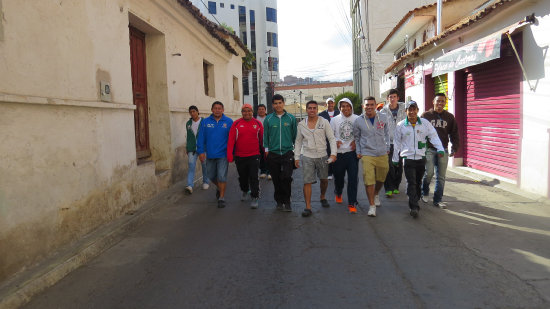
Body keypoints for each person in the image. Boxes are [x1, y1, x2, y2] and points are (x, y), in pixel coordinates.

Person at [393, 101, 444, 218]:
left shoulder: (425, 124)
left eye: (414, 109)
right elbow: (397, 143)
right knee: (411, 182)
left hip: (421, 157)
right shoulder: (400, 125)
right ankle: (414, 206)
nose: (412, 112)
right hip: (408, 157)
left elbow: (433, 136)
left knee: (418, 182)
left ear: (417, 110)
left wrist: (440, 148)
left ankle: (414, 197)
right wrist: (395, 158)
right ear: (405, 111)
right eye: (409, 110)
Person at [295, 100, 337, 217]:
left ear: (317, 110)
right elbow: (298, 142)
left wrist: (333, 154)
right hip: (307, 156)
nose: (312, 110)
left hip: (322, 156)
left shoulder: (324, 122)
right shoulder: (301, 125)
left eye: (314, 108)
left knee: (324, 180)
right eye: (310, 108)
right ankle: (308, 206)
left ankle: (322, 196)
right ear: (306, 110)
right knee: (307, 181)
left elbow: (332, 138)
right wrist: (296, 157)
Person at [421, 93, 460, 209]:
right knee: (428, 173)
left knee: (441, 177)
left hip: (443, 150)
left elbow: (454, 133)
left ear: (445, 103)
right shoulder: (426, 116)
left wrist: (455, 147)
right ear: (433, 101)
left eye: (442, 101)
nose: (440, 103)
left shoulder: (449, 117)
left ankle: (437, 200)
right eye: (438, 101)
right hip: (429, 149)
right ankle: (425, 191)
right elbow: (420, 132)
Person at [353, 97, 390, 217]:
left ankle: (376, 193)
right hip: (367, 153)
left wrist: (388, 147)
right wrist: (359, 151)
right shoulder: (359, 121)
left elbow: (387, 133)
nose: (369, 107)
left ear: (375, 105)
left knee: (382, 177)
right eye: (367, 105)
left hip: (382, 152)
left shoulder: (383, 117)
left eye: (371, 104)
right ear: (363, 106)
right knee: (369, 179)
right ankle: (372, 206)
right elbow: (357, 138)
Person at [263, 94, 298, 212]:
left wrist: (295, 152)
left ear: (283, 103)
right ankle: (279, 201)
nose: (278, 105)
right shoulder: (268, 119)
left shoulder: (291, 118)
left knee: (287, 177)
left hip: (287, 152)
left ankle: (287, 201)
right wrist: (267, 150)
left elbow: (295, 136)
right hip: (273, 153)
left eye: (280, 103)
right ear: (273, 105)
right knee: (276, 179)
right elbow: (265, 136)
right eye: (275, 103)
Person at [197, 101, 233, 208]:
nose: (217, 110)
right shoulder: (205, 122)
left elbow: (232, 139)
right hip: (210, 154)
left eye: (219, 108)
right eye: (215, 108)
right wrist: (201, 151)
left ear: (223, 110)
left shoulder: (229, 122)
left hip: (223, 154)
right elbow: (200, 137)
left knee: (222, 176)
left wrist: (233, 152)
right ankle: (220, 187)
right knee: (210, 176)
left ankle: (221, 198)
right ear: (212, 110)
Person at [227, 104, 264, 209]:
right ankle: (245, 190)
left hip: (254, 155)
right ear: (242, 112)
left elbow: (262, 140)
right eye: (244, 111)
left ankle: (255, 196)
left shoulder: (258, 124)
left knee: (254, 177)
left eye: (249, 111)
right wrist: (230, 155)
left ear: (252, 112)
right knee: (243, 177)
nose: (247, 113)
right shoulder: (236, 124)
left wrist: (265, 153)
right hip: (240, 156)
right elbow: (231, 141)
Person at [330, 98, 360, 214]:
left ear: (351, 107)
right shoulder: (334, 120)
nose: (346, 108)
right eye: (343, 106)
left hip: (352, 154)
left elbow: (362, 134)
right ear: (340, 108)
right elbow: (330, 135)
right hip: (339, 154)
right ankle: (338, 191)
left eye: (348, 106)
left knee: (353, 178)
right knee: (339, 178)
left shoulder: (357, 119)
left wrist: (356, 142)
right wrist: (336, 141)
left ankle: (352, 202)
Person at [380, 89, 407, 198]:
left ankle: (396, 186)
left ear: (398, 98)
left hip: (401, 142)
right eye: (390, 97)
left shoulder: (404, 109)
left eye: (394, 97)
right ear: (387, 99)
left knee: (399, 166)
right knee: (389, 166)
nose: (392, 99)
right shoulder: (383, 111)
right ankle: (388, 188)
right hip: (388, 142)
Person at [185, 106, 210, 194]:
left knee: (204, 165)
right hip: (192, 149)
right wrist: (187, 147)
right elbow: (188, 137)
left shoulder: (204, 122)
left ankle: (206, 181)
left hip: (202, 148)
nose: (192, 113)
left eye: (194, 111)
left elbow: (207, 135)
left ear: (197, 111)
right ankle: (189, 185)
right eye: (190, 112)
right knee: (191, 165)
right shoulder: (188, 123)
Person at [319, 97, 340, 180]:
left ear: (334, 104)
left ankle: (337, 172)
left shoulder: (339, 113)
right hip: (326, 139)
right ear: (326, 105)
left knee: (337, 155)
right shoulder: (321, 115)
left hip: (338, 137)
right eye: (329, 103)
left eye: (332, 103)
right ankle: (329, 172)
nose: (330, 105)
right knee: (328, 155)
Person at [256, 104, 270, 180]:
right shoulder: (254, 119)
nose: (261, 110)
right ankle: (263, 171)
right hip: (258, 141)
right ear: (257, 111)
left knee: (268, 156)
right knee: (260, 156)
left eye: (262, 109)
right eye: (259, 109)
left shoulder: (269, 118)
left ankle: (269, 171)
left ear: (265, 110)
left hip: (268, 140)